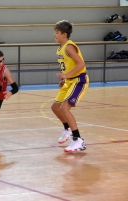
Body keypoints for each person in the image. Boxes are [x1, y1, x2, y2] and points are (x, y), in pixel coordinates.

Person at [51, 20, 89, 152]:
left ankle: (78, 140)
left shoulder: (69, 46)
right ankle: (67, 129)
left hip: (78, 80)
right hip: (69, 81)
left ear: (64, 34)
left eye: (57, 33)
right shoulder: (60, 48)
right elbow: (68, 65)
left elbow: (80, 64)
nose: (54, 35)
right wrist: (64, 78)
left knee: (64, 108)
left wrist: (67, 75)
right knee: (55, 107)